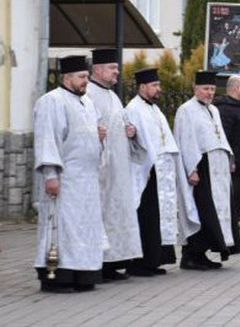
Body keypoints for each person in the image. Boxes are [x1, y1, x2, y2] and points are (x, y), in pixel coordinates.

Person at [33, 55, 105, 293]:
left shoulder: (88, 103)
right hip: (66, 179)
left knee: (85, 229)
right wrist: (51, 175)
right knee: (61, 227)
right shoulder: (52, 101)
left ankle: (83, 276)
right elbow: (47, 139)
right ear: (67, 77)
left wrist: (99, 138)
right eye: (82, 77)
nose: (86, 81)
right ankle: (57, 276)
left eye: (86, 76)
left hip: (87, 182)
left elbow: (89, 139)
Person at [126, 68, 200, 276]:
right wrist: (144, 166)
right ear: (142, 87)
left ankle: (154, 261)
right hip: (146, 173)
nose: (159, 89)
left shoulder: (154, 109)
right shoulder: (134, 108)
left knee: (157, 216)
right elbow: (134, 143)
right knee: (145, 217)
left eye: (158, 85)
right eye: (155, 86)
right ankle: (138, 263)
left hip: (161, 172)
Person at [85, 48, 142, 281]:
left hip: (118, 169)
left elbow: (122, 124)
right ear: (98, 70)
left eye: (117, 68)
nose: (117, 72)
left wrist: (131, 131)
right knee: (101, 217)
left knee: (117, 216)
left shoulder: (112, 95)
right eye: (113, 68)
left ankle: (113, 263)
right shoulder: (88, 94)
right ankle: (99, 264)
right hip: (101, 171)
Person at [174, 71, 235, 270]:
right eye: (205, 89)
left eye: (212, 89)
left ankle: (202, 253)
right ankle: (190, 255)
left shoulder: (213, 110)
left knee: (212, 212)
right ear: (195, 89)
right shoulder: (186, 110)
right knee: (199, 210)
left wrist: (229, 158)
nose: (209, 93)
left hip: (216, 168)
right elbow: (186, 140)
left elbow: (220, 136)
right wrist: (191, 169)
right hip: (200, 167)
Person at [214, 75, 240, 254]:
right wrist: (231, 161)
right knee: (231, 205)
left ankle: (234, 238)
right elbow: (225, 139)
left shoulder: (239, 108)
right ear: (236, 88)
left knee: (237, 205)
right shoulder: (225, 109)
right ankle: (229, 240)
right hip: (234, 167)